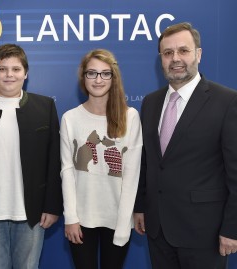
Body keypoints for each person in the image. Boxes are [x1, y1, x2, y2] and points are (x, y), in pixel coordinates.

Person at [133, 22, 237, 269]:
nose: (175, 58)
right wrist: (140, 207)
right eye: (168, 53)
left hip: (205, 233)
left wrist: (232, 228)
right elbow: (147, 161)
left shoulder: (227, 101)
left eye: (183, 50)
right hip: (158, 229)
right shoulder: (150, 102)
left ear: (198, 54)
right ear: (161, 59)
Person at [0, 43, 63, 269]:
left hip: (32, 213)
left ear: (26, 73)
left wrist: (52, 206)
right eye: (2, 69)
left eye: (16, 69)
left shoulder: (45, 106)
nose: (9, 75)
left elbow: (54, 162)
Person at [60, 49, 143, 269]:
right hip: (81, 219)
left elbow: (132, 175)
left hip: (118, 219)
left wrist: (125, 223)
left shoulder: (130, 117)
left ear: (113, 78)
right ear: (83, 77)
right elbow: (67, 171)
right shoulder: (70, 118)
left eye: (105, 74)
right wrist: (70, 217)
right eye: (92, 73)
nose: (98, 80)